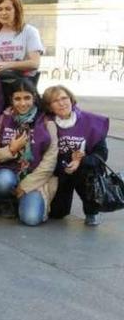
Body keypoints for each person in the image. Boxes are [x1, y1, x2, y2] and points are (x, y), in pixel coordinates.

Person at [0, 79, 58, 225]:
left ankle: (22, 199)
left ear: (34, 97)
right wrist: (10, 150)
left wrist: (24, 187)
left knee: (31, 219)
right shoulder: (1, 120)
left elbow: (50, 163)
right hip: (7, 172)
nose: (23, 103)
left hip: (34, 177)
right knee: (3, 181)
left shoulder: (46, 123)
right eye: (17, 99)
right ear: (11, 100)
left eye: (27, 98)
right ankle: (7, 201)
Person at [43, 85, 111, 226]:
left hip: (85, 169)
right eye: (55, 101)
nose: (61, 103)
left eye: (64, 98)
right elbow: (42, 154)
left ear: (71, 99)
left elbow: (102, 153)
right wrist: (65, 165)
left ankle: (91, 210)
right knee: (57, 214)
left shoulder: (91, 121)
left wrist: (81, 160)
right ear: (49, 107)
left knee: (86, 172)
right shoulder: (45, 124)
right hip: (60, 170)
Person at [0, 0, 44, 102]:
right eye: (0, 9)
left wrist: (7, 65)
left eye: (8, 9)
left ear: (17, 10)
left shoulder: (29, 31)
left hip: (22, 88)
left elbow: (35, 63)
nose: (3, 13)